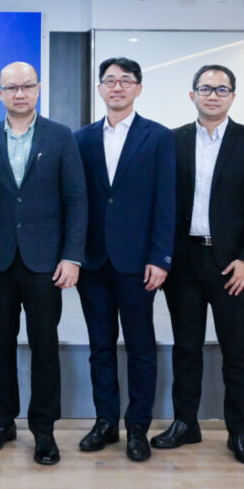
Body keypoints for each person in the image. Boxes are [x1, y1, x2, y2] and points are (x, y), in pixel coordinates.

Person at [155, 65, 244, 466]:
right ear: (192, 95)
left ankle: (240, 433)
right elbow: (162, 204)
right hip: (184, 261)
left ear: (233, 96)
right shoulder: (172, 141)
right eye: (205, 89)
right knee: (185, 347)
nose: (213, 95)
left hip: (233, 265)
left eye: (222, 89)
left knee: (236, 351)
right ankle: (185, 423)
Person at [0, 62, 86, 466]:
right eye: (11, 88)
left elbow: (76, 200)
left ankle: (44, 429)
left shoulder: (60, 136)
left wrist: (72, 256)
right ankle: (1, 423)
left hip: (46, 262)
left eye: (27, 86)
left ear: (38, 89)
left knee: (44, 347)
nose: (19, 94)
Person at [73, 57, 174, 462]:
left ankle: (137, 427)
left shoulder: (159, 137)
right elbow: (76, 201)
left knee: (140, 347)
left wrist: (161, 257)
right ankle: (105, 422)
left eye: (125, 80)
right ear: (100, 88)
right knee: (100, 347)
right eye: (110, 80)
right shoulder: (81, 138)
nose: (117, 87)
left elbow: (166, 201)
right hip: (93, 261)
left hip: (139, 263)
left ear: (138, 88)